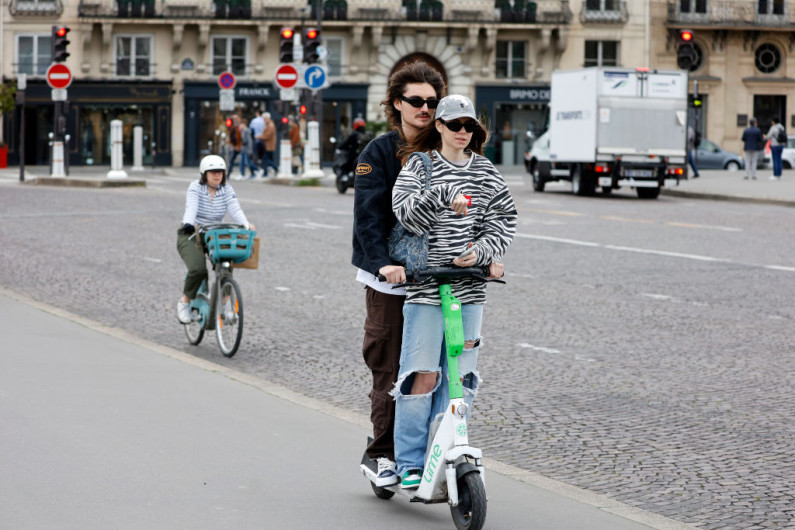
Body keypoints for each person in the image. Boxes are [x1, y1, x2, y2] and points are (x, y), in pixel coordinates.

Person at [390, 94, 517, 488]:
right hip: (428, 285)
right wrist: (444, 196)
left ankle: (443, 452)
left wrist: (482, 252)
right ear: (439, 127)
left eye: (470, 127)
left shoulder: (485, 171)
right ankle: (409, 462)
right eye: (456, 125)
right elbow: (405, 214)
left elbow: (504, 218)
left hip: (469, 289)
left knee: (460, 378)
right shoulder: (420, 166)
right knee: (422, 376)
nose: (463, 133)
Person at [351, 61, 447, 487]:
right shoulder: (378, 152)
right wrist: (381, 264)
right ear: (396, 103)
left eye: (432, 102)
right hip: (389, 279)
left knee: (437, 369)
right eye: (416, 101)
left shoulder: (449, 146)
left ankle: (429, 453)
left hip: (439, 276)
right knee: (390, 368)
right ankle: (381, 455)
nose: (425, 109)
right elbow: (367, 219)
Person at [177, 155, 254, 325]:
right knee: (198, 269)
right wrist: (188, 223)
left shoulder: (227, 189)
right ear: (204, 174)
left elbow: (235, 209)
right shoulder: (195, 187)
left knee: (226, 265)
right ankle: (184, 302)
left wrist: (245, 224)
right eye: (213, 172)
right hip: (191, 233)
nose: (217, 175)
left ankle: (226, 306)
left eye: (220, 172)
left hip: (214, 236)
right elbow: (192, 207)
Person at [259, 112, 279, 177]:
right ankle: (267, 171)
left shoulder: (270, 125)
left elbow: (267, 136)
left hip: (269, 145)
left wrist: (259, 137)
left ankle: (273, 169)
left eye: (265, 119)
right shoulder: (268, 125)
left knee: (266, 159)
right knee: (266, 159)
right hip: (267, 145)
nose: (264, 121)